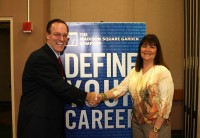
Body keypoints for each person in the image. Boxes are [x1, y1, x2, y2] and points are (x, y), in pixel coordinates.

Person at [17, 19, 99, 138]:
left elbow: (57, 89)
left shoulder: (53, 57)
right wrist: (87, 96)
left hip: (49, 122)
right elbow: (60, 87)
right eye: (57, 34)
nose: (61, 39)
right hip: (38, 126)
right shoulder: (40, 58)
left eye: (64, 35)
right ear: (47, 36)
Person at [97, 34, 174, 138]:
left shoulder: (162, 72)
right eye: (144, 46)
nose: (147, 49)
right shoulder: (134, 72)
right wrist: (100, 97)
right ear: (140, 49)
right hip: (137, 124)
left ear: (157, 51)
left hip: (156, 125)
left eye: (152, 47)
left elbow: (166, 103)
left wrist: (156, 129)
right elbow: (119, 89)